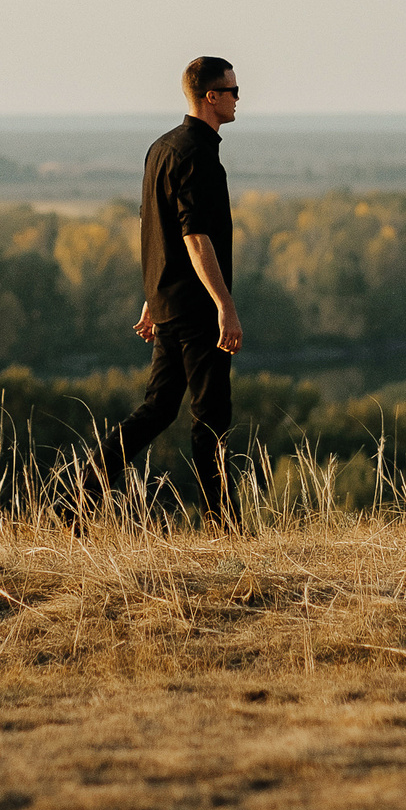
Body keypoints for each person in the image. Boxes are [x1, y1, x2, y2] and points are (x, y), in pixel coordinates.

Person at [87, 56, 247, 523]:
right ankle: (226, 528)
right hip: (197, 308)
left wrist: (153, 298)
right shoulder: (198, 155)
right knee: (210, 417)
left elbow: (153, 228)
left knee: (158, 409)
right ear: (211, 96)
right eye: (233, 91)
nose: (239, 99)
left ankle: (77, 494)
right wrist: (225, 306)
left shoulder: (161, 148)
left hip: (170, 302)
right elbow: (193, 237)